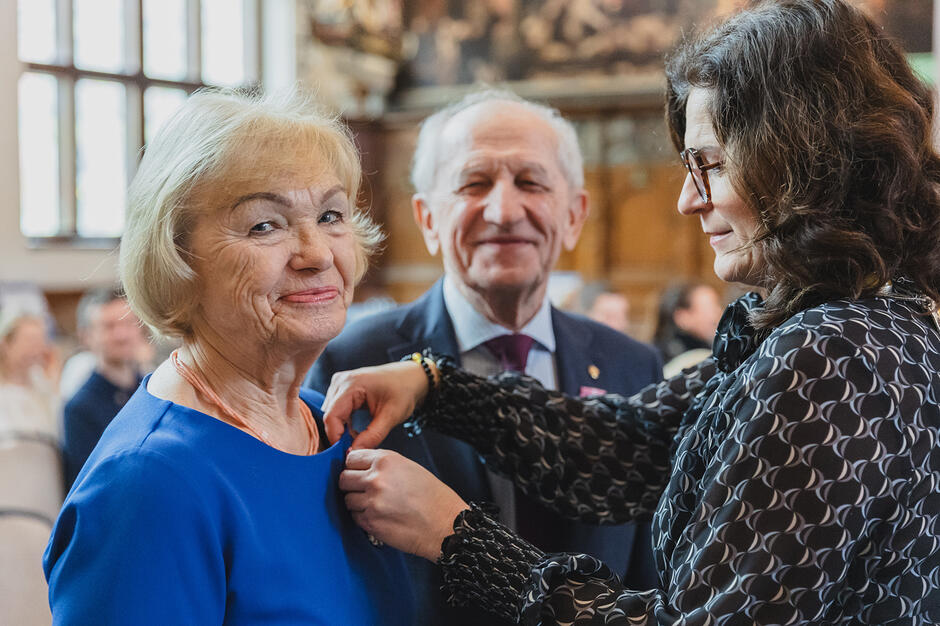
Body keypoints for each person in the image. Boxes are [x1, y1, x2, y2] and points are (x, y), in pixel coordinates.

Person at [321, 1, 940, 623]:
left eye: (711, 164)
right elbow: (630, 447)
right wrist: (436, 386)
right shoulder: (853, 321)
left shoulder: (835, 354)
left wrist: (455, 536)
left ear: (803, 161)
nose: (685, 201)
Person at [43, 88, 414, 624]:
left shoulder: (329, 423)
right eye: (266, 224)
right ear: (178, 257)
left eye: (331, 215)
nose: (317, 253)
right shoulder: (147, 483)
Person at [307, 90, 663, 623]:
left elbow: (647, 574)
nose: (503, 210)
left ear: (574, 214)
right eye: (474, 184)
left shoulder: (633, 366)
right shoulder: (352, 360)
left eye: (531, 182)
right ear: (427, 218)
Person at [62, 288, 149, 488]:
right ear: (86, 337)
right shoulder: (80, 408)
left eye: (128, 323)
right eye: (109, 327)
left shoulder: (154, 389)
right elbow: (91, 486)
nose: (122, 335)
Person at [652, 282, 723, 376]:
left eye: (718, 306)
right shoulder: (690, 363)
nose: (719, 313)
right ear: (683, 317)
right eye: (711, 308)